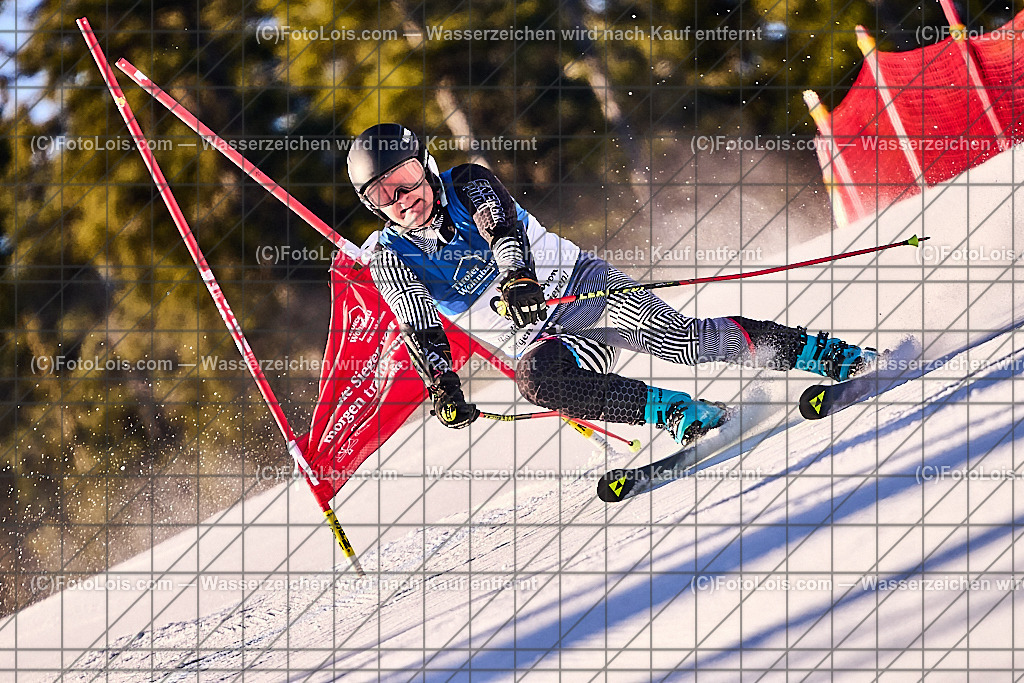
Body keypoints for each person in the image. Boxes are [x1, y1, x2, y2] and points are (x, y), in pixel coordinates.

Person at [347, 124, 875, 445]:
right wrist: (443, 386)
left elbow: (504, 231)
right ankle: (678, 414)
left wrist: (518, 279)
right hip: (547, 340)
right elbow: (419, 327)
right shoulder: (389, 255)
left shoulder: (467, 183)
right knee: (539, 382)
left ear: (427, 166)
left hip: (586, 293)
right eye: (384, 193)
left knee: (684, 343)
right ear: (372, 204)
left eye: (408, 178)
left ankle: (820, 352)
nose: (403, 197)